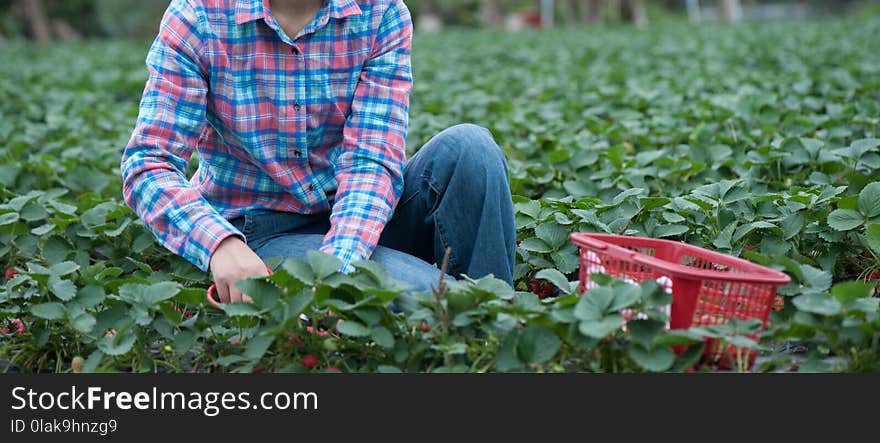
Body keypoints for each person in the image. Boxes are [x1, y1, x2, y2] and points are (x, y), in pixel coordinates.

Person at [121, 0, 515, 304]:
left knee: (470, 148)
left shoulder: (380, 13)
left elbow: (372, 161)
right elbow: (149, 164)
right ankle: (470, 322)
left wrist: (339, 266)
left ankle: (498, 336)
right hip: (259, 229)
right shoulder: (199, 17)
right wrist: (220, 246)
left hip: (360, 212)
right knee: (434, 299)